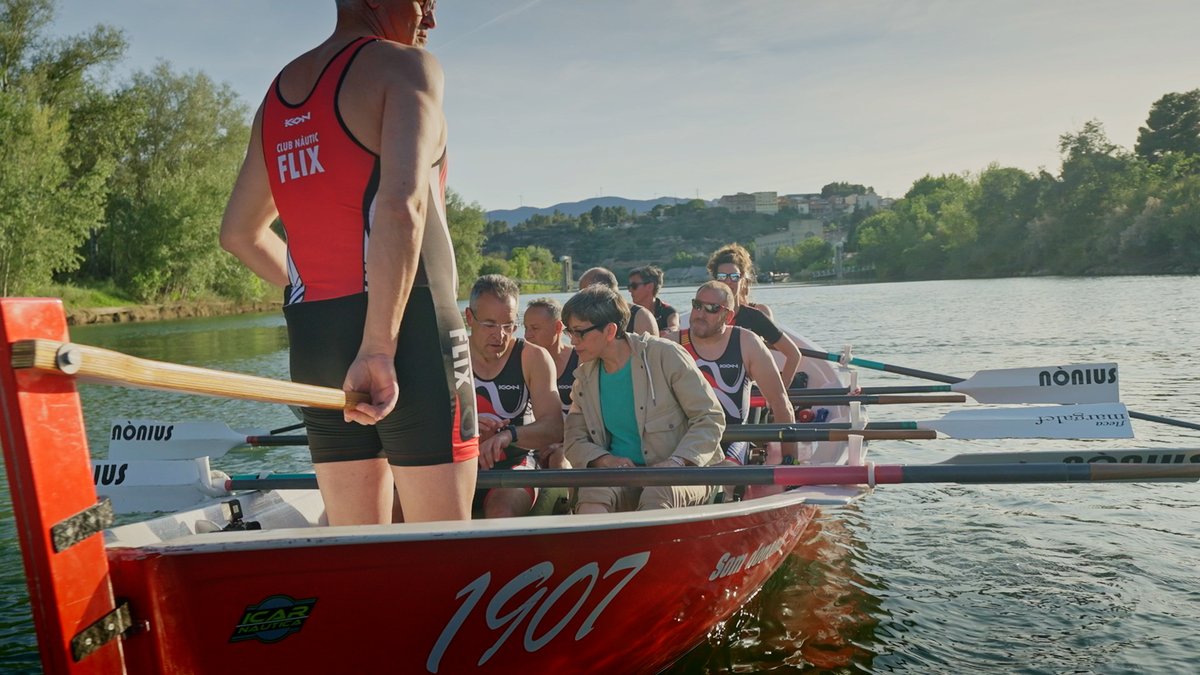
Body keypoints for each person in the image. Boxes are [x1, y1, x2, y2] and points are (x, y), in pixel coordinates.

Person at [219, 0, 478, 526]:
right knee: (444, 553)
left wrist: (322, 291)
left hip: (318, 341)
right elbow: (402, 204)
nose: (431, 18)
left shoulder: (278, 96)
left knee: (358, 548)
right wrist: (379, 345)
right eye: (424, 2)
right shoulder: (405, 67)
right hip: (411, 332)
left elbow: (239, 235)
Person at [562, 285, 724, 513]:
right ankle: (602, 548)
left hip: (686, 474)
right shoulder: (584, 377)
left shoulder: (666, 355)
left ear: (610, 331)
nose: (572, 341)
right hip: (623, 478)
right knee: (592, 493)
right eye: (569, 332)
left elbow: (710, 418)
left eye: (579, 332)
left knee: (658, 492)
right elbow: (574, 439)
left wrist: (676, 462)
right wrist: (605, 460)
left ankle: (647, 548)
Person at [678, 282, 808, 466]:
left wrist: (790, 461)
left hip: (732, 440)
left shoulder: (747, 343)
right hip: (686, 440)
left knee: (721, 476)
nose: (700, 314)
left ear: (728, 316)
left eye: (711, 309)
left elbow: (780, 404)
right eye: (697, 305)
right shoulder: (672, 342)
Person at [466, 275, 564, 518]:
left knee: (501, 511)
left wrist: (508, 436)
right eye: (489, 324)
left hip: (513, 462)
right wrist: (462, 427)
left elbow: (554, 428)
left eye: (508, 325)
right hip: (457, 464)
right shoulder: (447, 355)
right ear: (469, 318)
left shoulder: (533, 357)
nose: (499, 336)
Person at [707, 244, 803, 388]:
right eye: (722, 277)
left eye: (734, 276)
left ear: (742, 279)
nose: (728, 281)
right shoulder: (703, 314)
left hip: (748, 393)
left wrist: (780, 396)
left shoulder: (755, 317)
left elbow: (794, 354)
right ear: (714, 280)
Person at [523, 297, 578, 417]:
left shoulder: (580, 359)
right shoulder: (522, 361)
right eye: (526, 328)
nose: (527, 335)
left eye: (535, 328)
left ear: (558, 327)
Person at [578, 267, 659, 337]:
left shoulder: (640, 317)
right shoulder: (584, 319)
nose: (583, 302)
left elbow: (651, 353)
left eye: (586, 296)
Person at [628, 265, 679, 333]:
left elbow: (674, 328)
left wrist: (666, 332)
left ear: (650, 287)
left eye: (634, 286)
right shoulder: (627, 313)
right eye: (629, 286)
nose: (630, 290)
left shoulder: (668, 311)